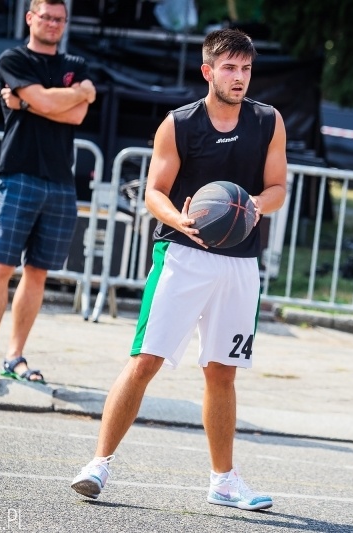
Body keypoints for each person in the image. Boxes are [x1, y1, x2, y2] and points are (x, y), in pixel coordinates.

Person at [70, 28, 287, 511]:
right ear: (208, 71)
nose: (239, 78)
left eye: (246, 69)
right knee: (145, 360)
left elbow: (278, 188)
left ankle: (223, 480)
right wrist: (180, 219)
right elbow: (154, 191)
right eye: (229, 68)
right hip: (183, 257)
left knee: (221, 373)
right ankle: (98, 465)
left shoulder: (268, 121)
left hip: (239, 263)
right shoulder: (179, 123)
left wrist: (251, 203)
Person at [0, 0, 96, 386]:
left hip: (61, 180)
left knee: (38, 272)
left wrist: (27, 100)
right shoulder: (12, 58)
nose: (54, 24)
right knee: (1, 267)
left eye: (60, 19)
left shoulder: (75, 63)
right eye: (47, 17)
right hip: (19, 173)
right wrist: (74, 94)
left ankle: (15, 355)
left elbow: (75, 116)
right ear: (31, 17)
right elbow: (58, 103)